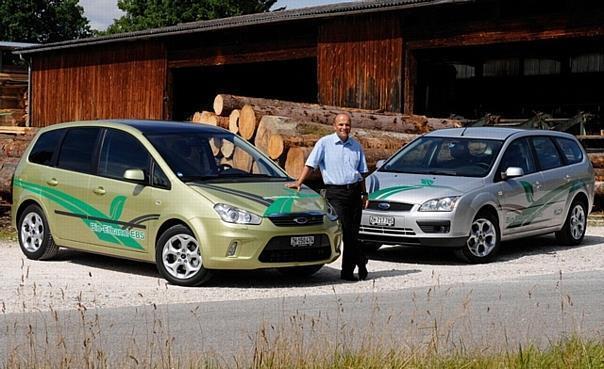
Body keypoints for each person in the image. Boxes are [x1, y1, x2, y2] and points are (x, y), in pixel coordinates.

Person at [286, 113, 369, 281]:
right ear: (334, 126)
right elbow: (311, 164)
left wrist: (364, 194)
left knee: (353, 233)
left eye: (347, 125)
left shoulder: (356, 146)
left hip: (354, 192)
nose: (344, 128)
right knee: (346, 231)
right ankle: (361, 260)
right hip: (335, 193)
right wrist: (299, 181)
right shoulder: (324, 143)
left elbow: (361, 173)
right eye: (341, 124)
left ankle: (347, 271)